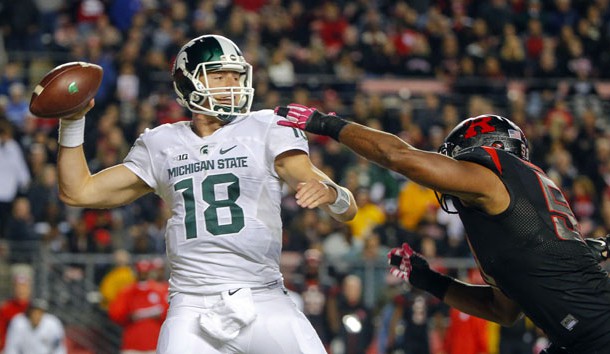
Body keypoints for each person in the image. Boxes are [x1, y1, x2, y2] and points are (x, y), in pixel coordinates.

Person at [55, 34, 357, 354]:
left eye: (236, 74)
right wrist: (73, 122)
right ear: (188, 82)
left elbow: (345, 207)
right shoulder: (161, 143)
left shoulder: (267, 126)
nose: (232, 83)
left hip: (263, 297)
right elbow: (78, 192)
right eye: (218, 75)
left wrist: (332, 195)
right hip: (192, 304)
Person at [274, 104, 610, 354]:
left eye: (454, 160)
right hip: (579, 336)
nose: (449, 170)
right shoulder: (508, 209)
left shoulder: (492, 178)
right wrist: (430, 280)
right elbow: (503, 310)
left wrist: (329, 124)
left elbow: (398, 156)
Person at [108, 258, 169, 354]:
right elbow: (116, 313)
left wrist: (155, 314)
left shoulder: (160, 290)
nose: (143, 275)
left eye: (145, 272)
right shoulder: (127, 291)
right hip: (132, 344)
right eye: (141, 272)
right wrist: (130, 315)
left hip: (154, 343)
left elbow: (168, 313)